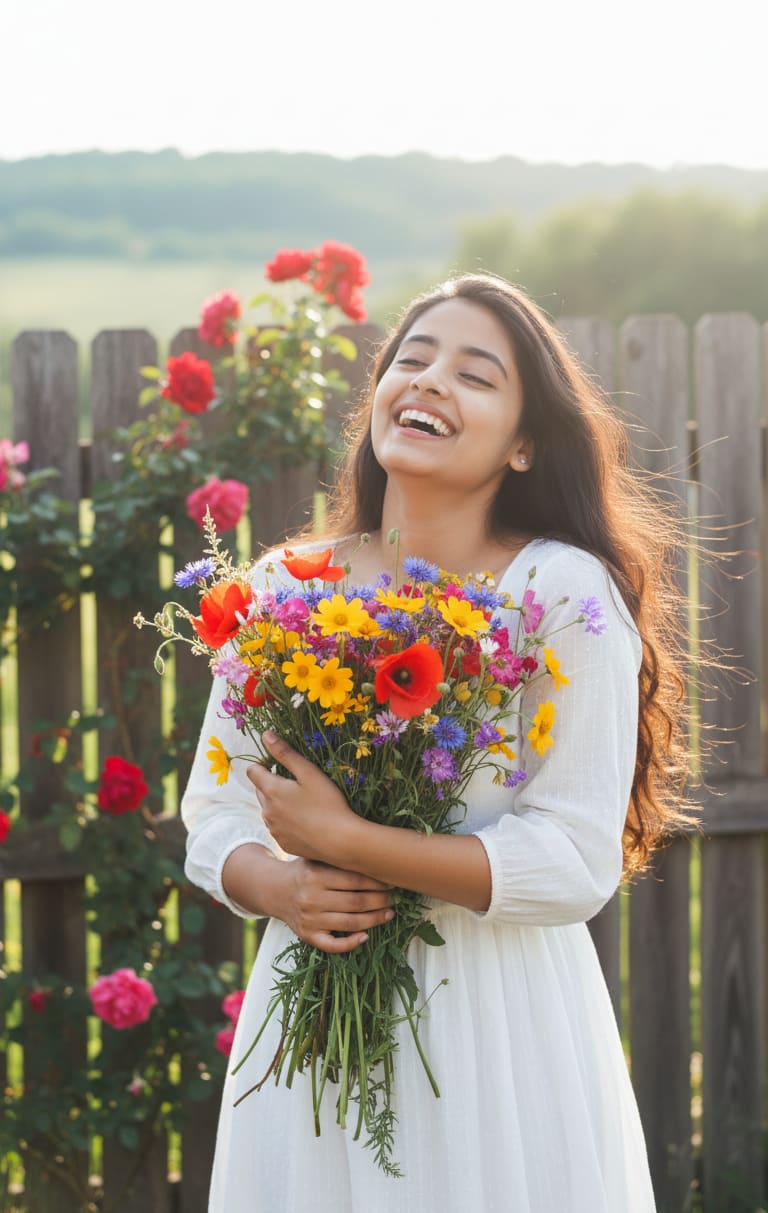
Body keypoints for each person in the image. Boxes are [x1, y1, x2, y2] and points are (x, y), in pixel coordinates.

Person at [182, 273, 696, 1212]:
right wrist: (283, 885)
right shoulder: (284, 587)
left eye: (474, 373)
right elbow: (213, 813)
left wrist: (348, 845)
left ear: (528, 442)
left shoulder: (562, 594)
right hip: (310, 1031)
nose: (427, 382)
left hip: (498, 1034)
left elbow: (574, 860)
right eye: (411, 360)